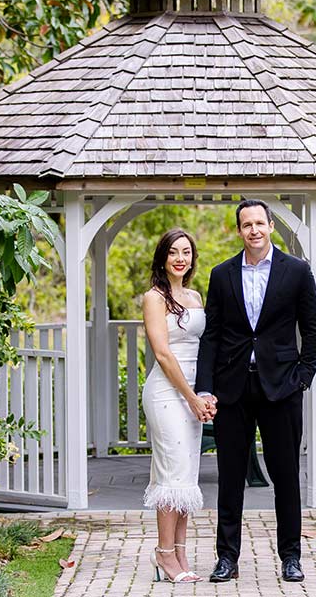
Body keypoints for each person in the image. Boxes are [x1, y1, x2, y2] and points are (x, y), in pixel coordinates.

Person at [195, 198, 316, 583]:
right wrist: (204, 387)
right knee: (230, 476)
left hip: (282, 387)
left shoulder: (297, 272)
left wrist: (303, 377)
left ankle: (291, 557)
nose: (253, 230)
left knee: (285, 474)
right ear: (239, 231)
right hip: (232, 388)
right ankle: (226, 559)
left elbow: (313, 329)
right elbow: (212, 336)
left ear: (271, 226)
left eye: (259, 223)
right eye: (246, 224)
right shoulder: (222, 275)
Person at [141, 228, 215, 583]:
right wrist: (191, 397)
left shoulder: (196, 296)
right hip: (166, 393)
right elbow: (163, 353)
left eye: (186, 252)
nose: (180, 258)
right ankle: (164, 554)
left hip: (193, 394)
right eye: (173, 252)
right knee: (171, 475)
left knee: (185, 477)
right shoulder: (154, 298)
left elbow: (206, 349)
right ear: (163, 258)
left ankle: (181, 554)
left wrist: (207, 394)